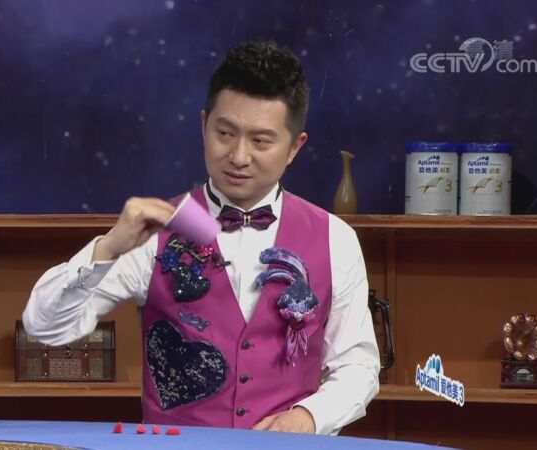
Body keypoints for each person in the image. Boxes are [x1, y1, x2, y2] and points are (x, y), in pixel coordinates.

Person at [23, 39, 380, 435]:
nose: (239, 156)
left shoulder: (335, 239)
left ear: (295, 147)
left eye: (261, 141)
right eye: (225, 133)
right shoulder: (157, 230)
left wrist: (308, 418)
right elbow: (45, 328)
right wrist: (107, 249)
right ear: (203, 125)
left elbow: (358, 366)